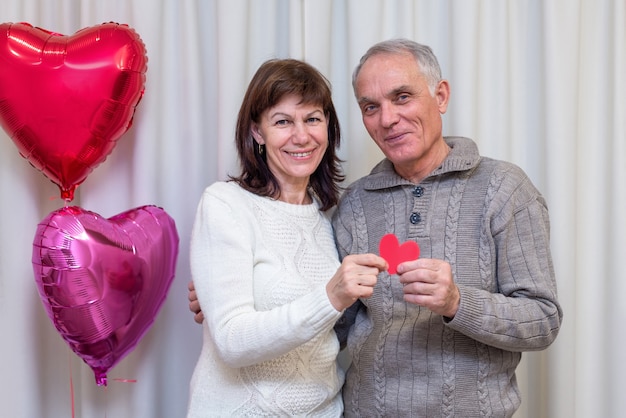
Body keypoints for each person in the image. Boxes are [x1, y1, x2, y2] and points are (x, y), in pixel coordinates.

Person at [190, 39, 563, 417]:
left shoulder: (504, 189)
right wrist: (223, 290)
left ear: (441, 96)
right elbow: (333, 320)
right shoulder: (353, 204)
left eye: (402, 97)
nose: (387, 119)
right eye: (371, 107)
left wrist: (457, 302)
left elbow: (543, 320)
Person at [186, 58, 387, 417]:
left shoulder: (330, 221)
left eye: (313, 118)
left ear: (328, 127)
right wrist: (329, 296)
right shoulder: (225, 205)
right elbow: (232, 341)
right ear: (257, 132)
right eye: (283, 121)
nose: (301, 136)